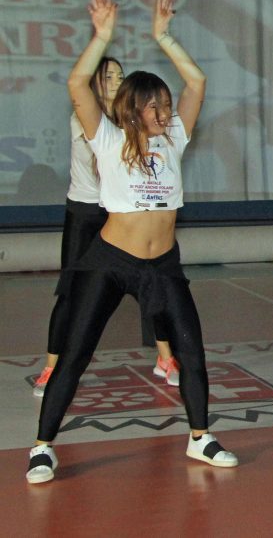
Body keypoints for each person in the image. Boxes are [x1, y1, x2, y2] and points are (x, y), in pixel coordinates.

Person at [26, 0, 237, 484]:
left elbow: (198, 81)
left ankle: (199, 436)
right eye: (156, 105)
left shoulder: (174, 140)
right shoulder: (108, 137)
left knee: (191, 351)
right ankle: (42, 447)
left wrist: (163, 37)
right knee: (75, 355)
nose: (166, 111)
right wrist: (102, 36)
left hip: (162, 266)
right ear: (135, 108)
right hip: (110, 259)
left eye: (167, 104)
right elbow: (78, 82)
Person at [33, 58, 183, 399]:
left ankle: (166, 358)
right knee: (72, 290)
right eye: (108, 75)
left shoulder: (133, 120)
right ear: (96, 83)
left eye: (120, 75)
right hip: (86, 210)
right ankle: (52, 365)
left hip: (123, 211)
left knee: (153, 283)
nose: (115, 80)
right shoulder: (88, 120)